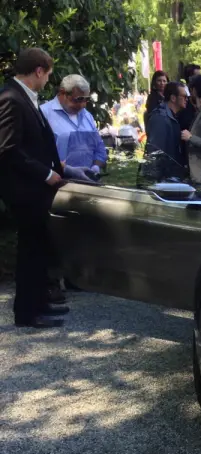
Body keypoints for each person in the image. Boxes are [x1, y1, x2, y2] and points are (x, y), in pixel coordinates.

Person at [0, 48, 76, 328]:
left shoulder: (24, 98)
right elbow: (8, 149)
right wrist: (46, 173)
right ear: (39, 71)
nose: (47, 83)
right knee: (30, 251)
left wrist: (56, 167)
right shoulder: (10, 98)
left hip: (37, 189)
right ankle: (27, 313)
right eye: (48, 76)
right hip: (25, 191)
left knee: (39, 248)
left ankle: (41, 304)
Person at [40, 74, 106, 179]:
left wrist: (96, 167)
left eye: (86, 99)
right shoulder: (44, 114)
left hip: (87, 182)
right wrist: (67, 170)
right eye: (78, 99)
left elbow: (99, 148)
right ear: (62, 93)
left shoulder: (87, 116)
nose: (83, 105)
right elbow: (37, 154)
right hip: (57, 183)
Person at [145, 81, 187, 168]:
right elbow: (155, 152)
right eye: (184, 96)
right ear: (173, 98)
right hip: (163, 176)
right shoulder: (160, 117)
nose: (186, 99)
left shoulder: (171, 115)